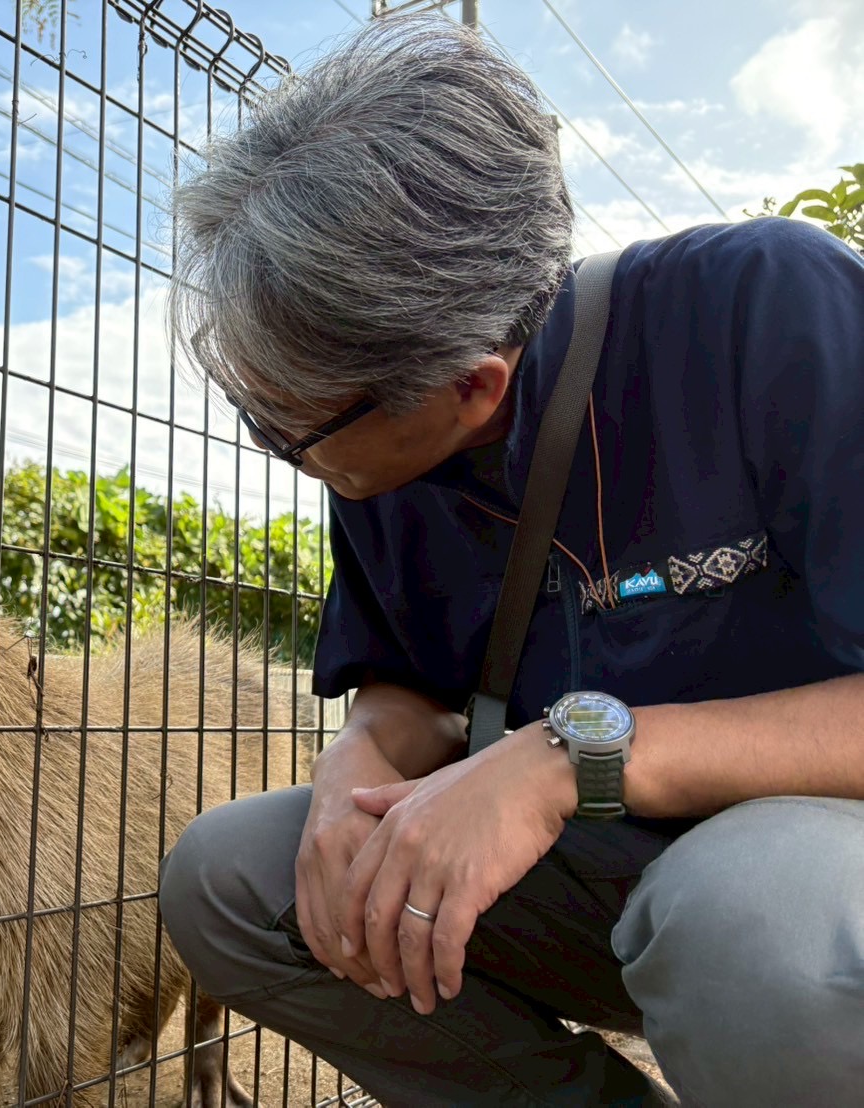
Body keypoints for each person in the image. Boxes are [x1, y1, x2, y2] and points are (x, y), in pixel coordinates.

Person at [156, 14, 864, 1107]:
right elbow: (410, 685)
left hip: (806, 882)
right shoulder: (380, 455)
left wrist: (561, 760)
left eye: (285, 432)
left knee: (746, 920)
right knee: (234, 877)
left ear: (471, 384)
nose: (275, 443)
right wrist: (356, 771)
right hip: (603, 878)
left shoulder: (766, 310)